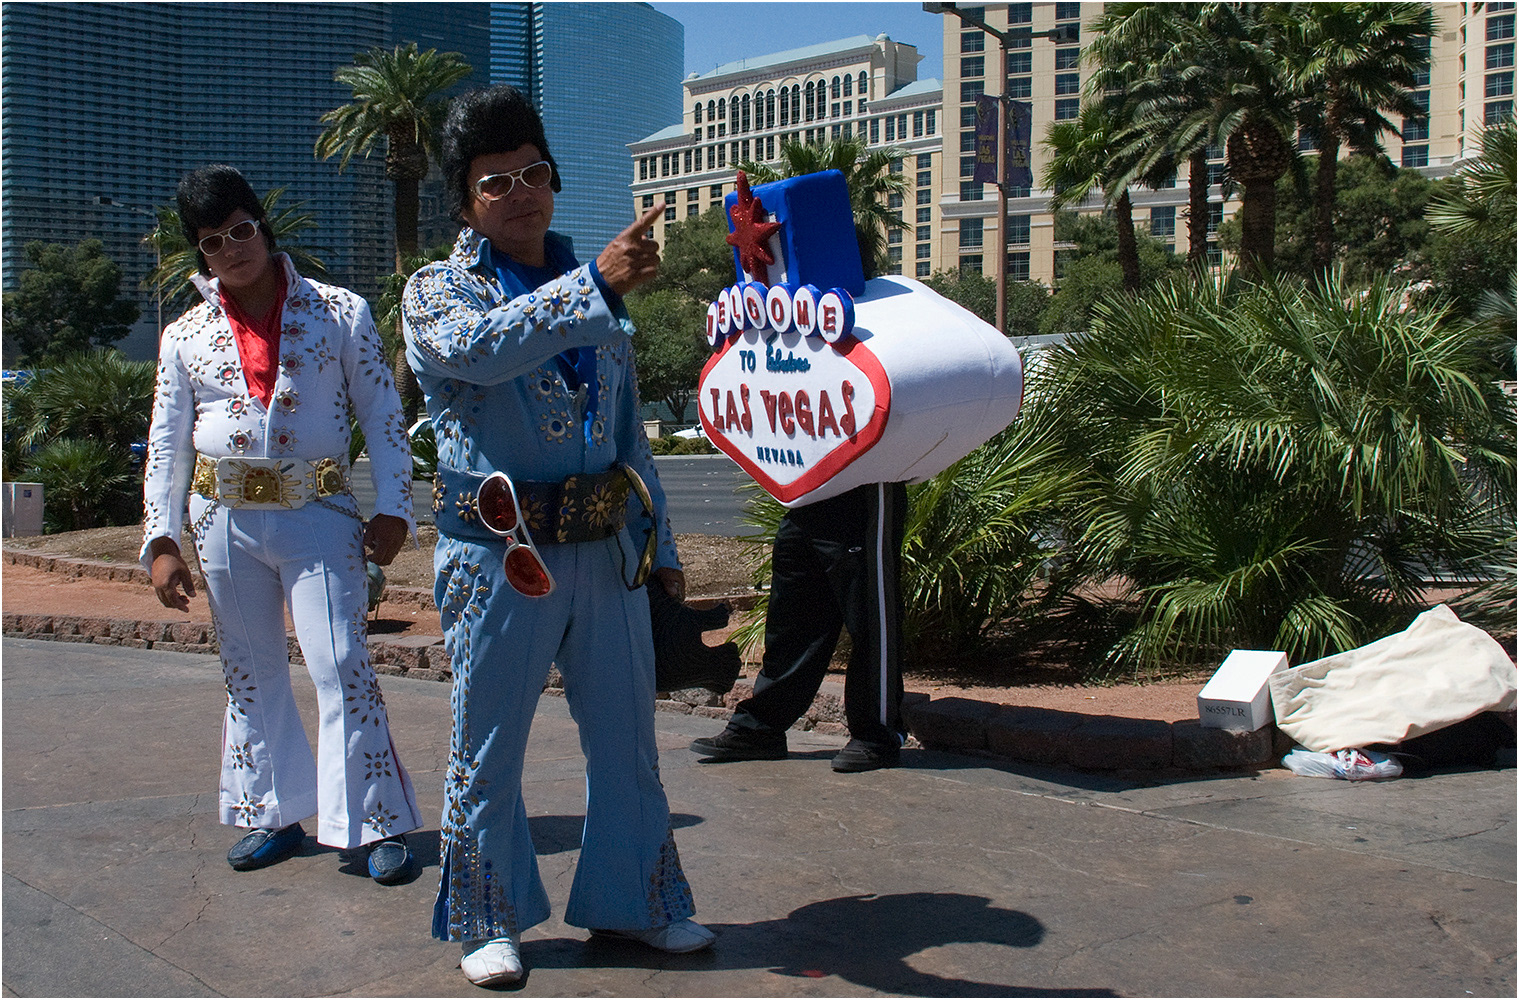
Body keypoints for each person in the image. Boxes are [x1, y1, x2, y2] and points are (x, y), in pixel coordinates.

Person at [402, 85, 712, 988]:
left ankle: (641, 905)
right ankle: (485, 919)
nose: (521, 193)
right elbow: (480, 350)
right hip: (497, 557)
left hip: (603, 549)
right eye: (494, 182)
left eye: (534, 172)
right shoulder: (438, 292)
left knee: (626, 741)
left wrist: (664, 552)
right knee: (487, 747)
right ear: (463, 202)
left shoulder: (591, 286)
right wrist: (596, 286)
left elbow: (627, 437)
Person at [140, 164, 423, 883]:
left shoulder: (339, 311)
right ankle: (272, 814)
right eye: (212, 241)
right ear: (199, 254)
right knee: (249, 672)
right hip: (222, 521)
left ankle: (374, 823)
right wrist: (161, 538)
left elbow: (384, 418)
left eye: (239, 230)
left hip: (319, 513)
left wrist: (394, 507)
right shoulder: (183, 336)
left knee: (340, 664)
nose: (231, 249)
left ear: (261, 228)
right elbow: (167, 442)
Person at [691, 481, 908, 772]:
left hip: (863, 487)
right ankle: (761, 728)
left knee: (870, 615)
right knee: (792, 618)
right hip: (805, 491)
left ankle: (877, 735)